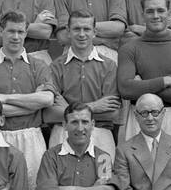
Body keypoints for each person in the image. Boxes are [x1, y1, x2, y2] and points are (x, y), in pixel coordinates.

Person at [0, 9, 55, 190]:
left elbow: (46, 100)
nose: (16, 36)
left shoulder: (39, 65)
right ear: (1, 31)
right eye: (11, 31)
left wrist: (3, 99)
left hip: (32, 137)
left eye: (20, 31)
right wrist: (31, 103)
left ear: (26, 33)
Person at [117, 0, 171, 140]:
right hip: (139, 117)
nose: (155, 16)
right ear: (143, 15)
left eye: (160, 10)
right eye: (150, 11)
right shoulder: (129, 49)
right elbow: (125, 90)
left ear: (168, 13)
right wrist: (164, 81)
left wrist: (141, 86)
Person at [45, 9, 120, 153]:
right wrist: (94, 106)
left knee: (103, 175)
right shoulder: (55, 67)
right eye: (76, 29)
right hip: (63, 134)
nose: (81, 34)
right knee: (62, 176)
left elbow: (112, 113)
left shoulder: (109, 66)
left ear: (94, 32)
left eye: (86, 29)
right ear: (68, 31)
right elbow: (49, 114)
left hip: (100, 134)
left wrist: (67, 109)